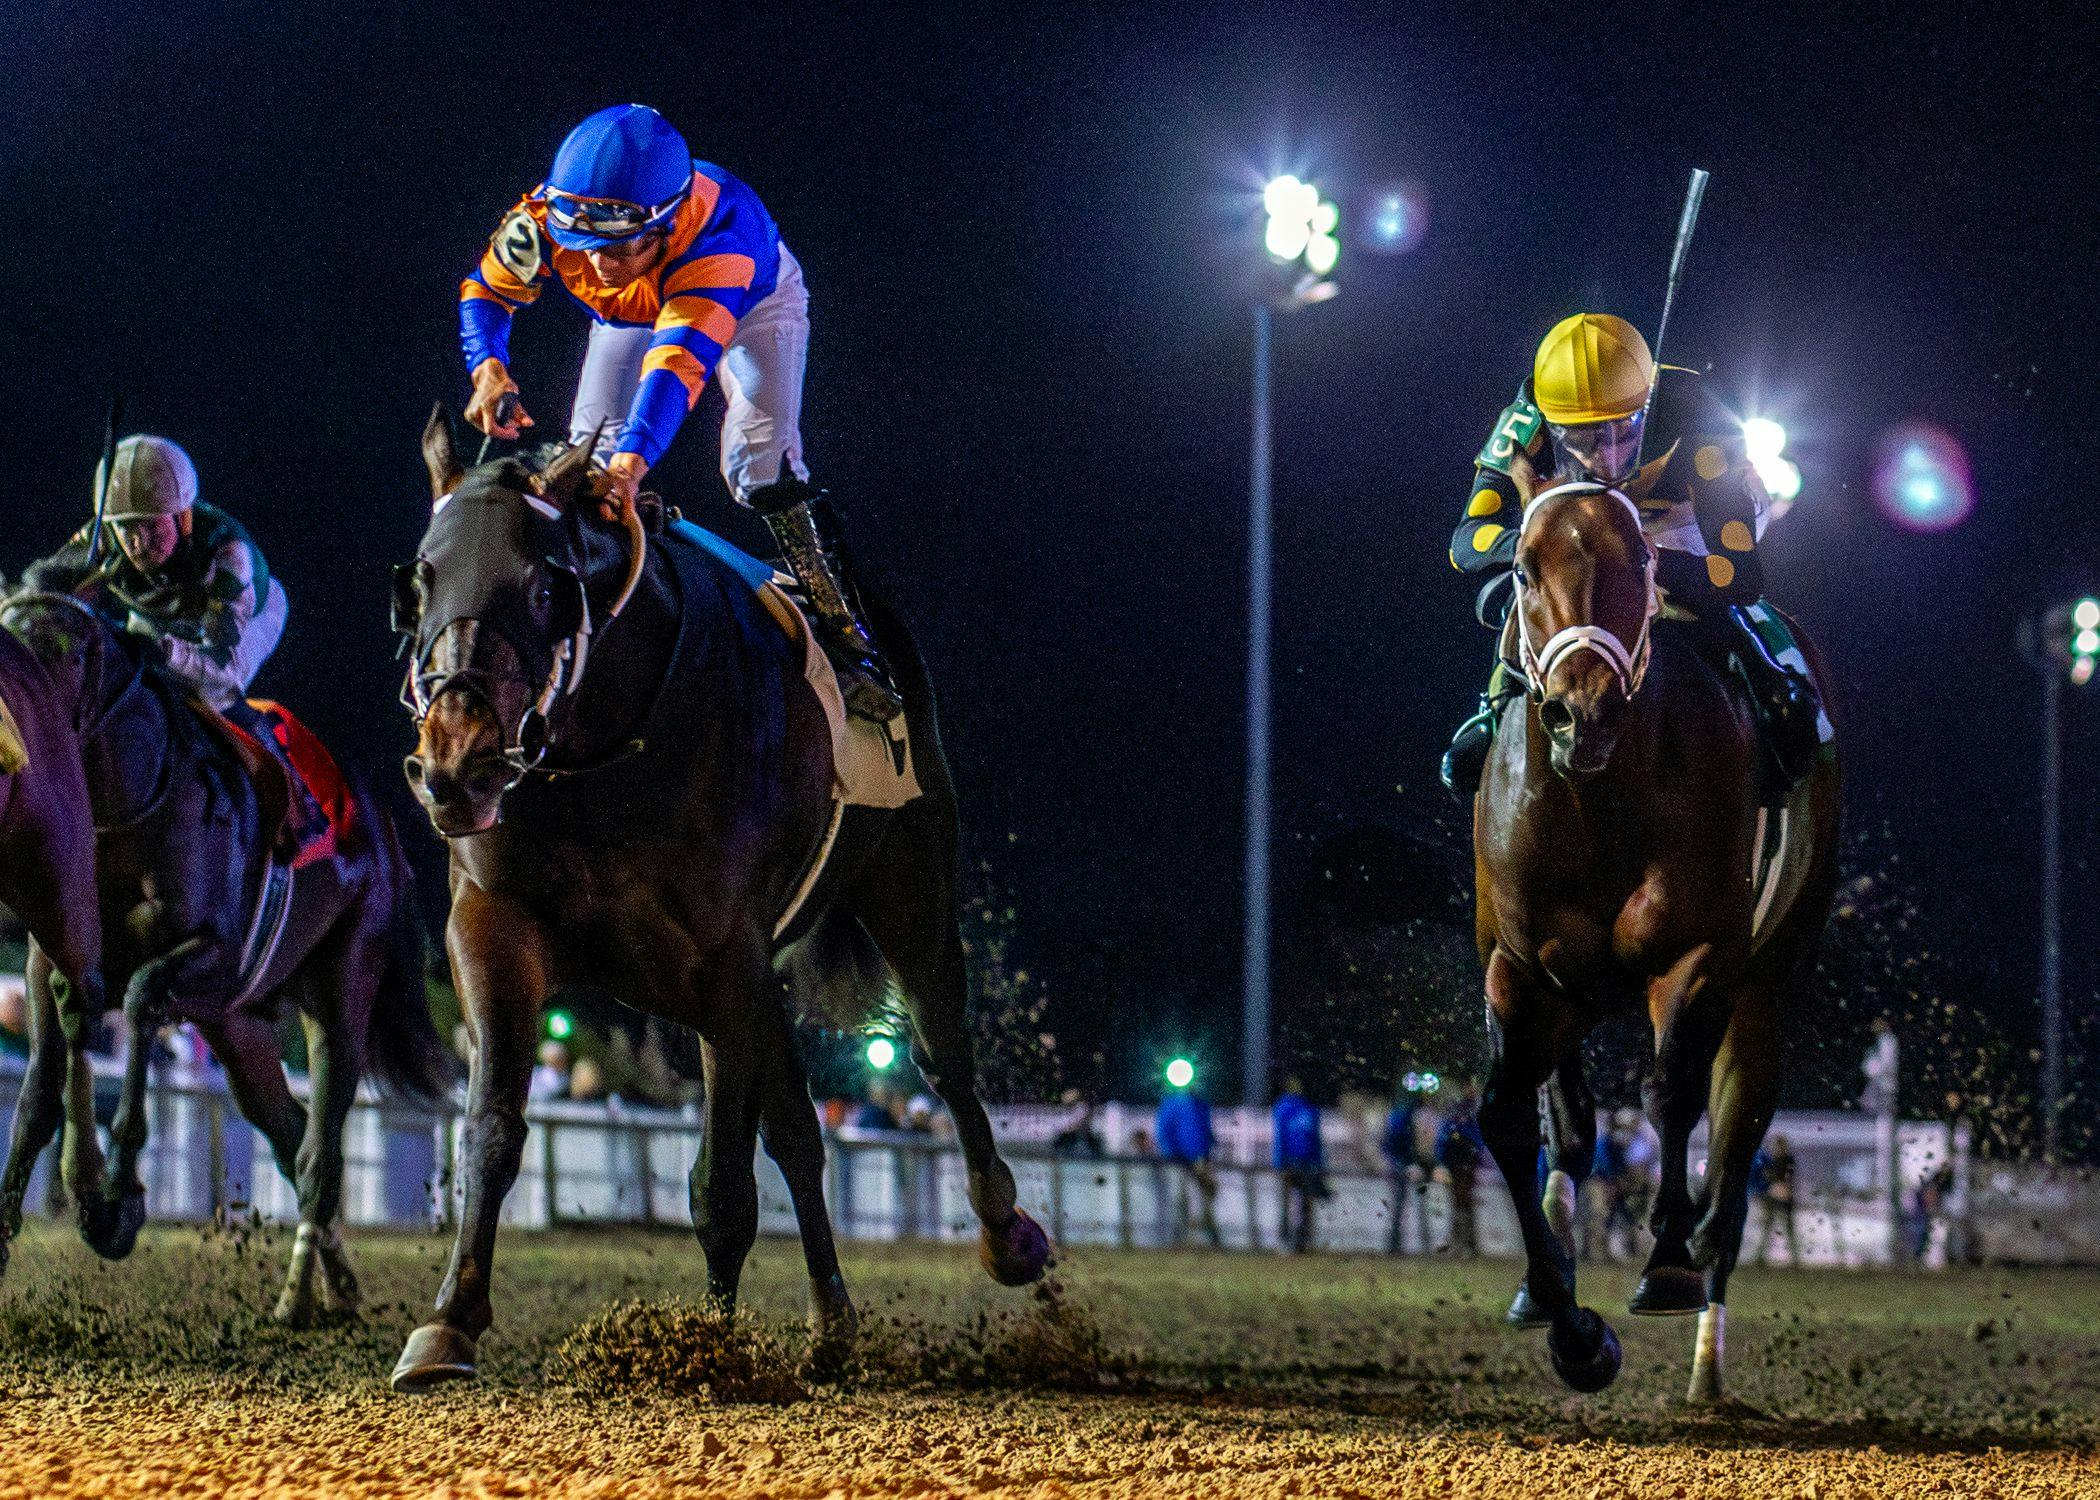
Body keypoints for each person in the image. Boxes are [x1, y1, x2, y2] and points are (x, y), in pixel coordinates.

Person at [457, 102, 899, 721]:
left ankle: (846, 633)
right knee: (587, 462)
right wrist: (489, 368)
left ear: (665, 224)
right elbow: (485, 289)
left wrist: (632, 468)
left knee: (755, 460)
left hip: (751, 306)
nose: (597, 265)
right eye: (581, 244)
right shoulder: (543, 217)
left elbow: (675, 370)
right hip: (635, 314)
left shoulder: (719, 245)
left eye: (617, 247)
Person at [1440, 313, 1824, 795]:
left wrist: (1651, 561)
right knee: (1538, 585)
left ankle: (1769, 683)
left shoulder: (1695, 413)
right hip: (1577, 523)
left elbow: (1740, 575)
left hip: (1680, 516)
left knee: (1679, 593)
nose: (1608, 456)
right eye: (1581, 440)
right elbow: (1467, 540)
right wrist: (1530, 550)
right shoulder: (1525, 419)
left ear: (1646, 405)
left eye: (1625, 431)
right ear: (1551, 423)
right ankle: (1495, 705)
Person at [1157, 1074, 1222, 1247]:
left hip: (1200, 1158)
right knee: (1180, 1197)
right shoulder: (1171, 1103)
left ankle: (1211, 1237)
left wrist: (1205, 1153)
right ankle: (1179, 1238)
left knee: (1206, 1196)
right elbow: (1164, 1131)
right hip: (1179, 1159)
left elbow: (1206, 1130)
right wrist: (1171, 1153)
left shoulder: (1200, 1104)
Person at [1272, 1077, 1326, 1254]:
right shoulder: (1283, 1108)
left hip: (1307, 1163)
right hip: (1290, 1163)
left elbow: (1316, 1140)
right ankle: (1285, 1240)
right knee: (1287, 1204)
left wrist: (1318, 1164)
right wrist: (1281, 1164)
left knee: (1306, 1204)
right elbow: (1280, 1138)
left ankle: (1302, 1242)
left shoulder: (1309, 1109)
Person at [1434, 1082, 1485, 1257]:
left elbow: (1475, 1142)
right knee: (1460, 1204)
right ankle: (1464, 1244)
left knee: (1462, 1204)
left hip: (1463, 1166)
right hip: (1457, 1166)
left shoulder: (1464, 1119)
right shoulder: (1461, 1119)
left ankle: (1465, 1244)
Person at [1380, 1078, 1426, 1254]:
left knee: (1399, 1206)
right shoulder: (1404, 1116)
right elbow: (1401, 1143)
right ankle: (1395, 1244)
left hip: (1400, 1163)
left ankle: (1395, 1243)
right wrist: (1408, 1162)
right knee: (1400, 1206)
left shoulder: (1398, 1114)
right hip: (1402, 1164)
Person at [1749, 1133, 1799, 1265]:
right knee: (1768, 1226)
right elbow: (1765, 1176)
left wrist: (1782, 1186)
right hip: (1772, 1196)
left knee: (1787, 1227)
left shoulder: (1786, 1160)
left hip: (1783, 1196)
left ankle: (1794, 1258)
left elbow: (1787, 1177)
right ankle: (1761, 1257)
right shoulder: (1771, 1160)